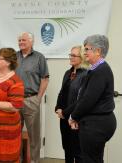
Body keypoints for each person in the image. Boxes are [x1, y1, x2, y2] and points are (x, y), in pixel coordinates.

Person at [69, 34, 117, 163]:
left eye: (87, 49)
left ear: (98, 51)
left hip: (97, 125)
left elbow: (88, 100)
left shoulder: (100, 71)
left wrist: (73, 116)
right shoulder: (95, 69)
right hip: (95, 123)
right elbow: (84, 97)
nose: (84, 52)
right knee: (94, 159)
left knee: (90, 160)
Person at [15, 32, 49, 163]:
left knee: (34, 135)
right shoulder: (14, 57)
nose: (21, 42)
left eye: (23, 40)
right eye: (19, 40)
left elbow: (45, 79)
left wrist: (38, 98)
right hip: (15, 101)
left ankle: (34, 160)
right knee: (15, 133)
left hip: (31, 100)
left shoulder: (39, 58)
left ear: (31, 41)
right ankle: (17, 159)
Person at [55, 45, 89, 163]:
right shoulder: (67, 73)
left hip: (75, 118)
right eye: (70, 54)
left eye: (74, 55)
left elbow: (81, 100)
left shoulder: (86, 75)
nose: (71, 57)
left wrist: (65, 112)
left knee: (77, 151)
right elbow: (61, 92)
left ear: (82, 58)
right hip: (63, 117)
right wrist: (58, 108)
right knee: (67, 147)